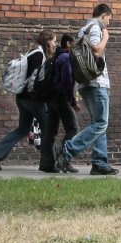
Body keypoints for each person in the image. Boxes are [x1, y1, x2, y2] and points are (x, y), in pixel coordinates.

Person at [56, 3, 119, 176]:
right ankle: (67, 150)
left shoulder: (82, 30)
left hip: (86, 84)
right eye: (109, 20)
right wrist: (106, 36)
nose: (109, 24)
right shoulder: (95, 28)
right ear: (104, 15)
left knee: (99, 124)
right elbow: (96, 50)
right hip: (96, 83)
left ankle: (99, 163)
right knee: (100, 123)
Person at [0, 30, 53, 171]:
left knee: (23, 129)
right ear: (47, 40)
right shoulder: (39, 55)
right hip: (32, 100)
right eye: (53, 40)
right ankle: (49, 162)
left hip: (22, 98)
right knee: (48, 129)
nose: (54, 43)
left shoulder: (33, 52)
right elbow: (33, 79)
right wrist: (40, 96)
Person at [40, 34, 80, 173]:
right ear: (68, 44)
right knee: (73, 129)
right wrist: (73, 102)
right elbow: (66, 82)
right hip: (61, 99)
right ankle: (64, 159)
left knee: (50, 132)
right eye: (74, 44)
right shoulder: (65, 58)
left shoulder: (57, 56)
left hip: (51, 98)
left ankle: (46, 164)